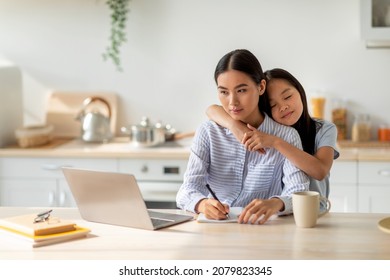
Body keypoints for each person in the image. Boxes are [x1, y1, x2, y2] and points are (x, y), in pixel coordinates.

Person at [176, 49, 309, 224]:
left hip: (264, 230)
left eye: (241, 90)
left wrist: (276, 203)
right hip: (215, 232)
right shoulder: (208, 132)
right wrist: (201, 204)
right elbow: (187, 190)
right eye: (224, 92)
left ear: (261, 87)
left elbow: (298, 190)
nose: (232, 102)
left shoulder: (285, 136)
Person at [206, 68, 339, 211]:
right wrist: (234, 126)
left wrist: (276, 142)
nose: (283, 107)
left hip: (313, 212)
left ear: (300, 92)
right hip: (279, 213)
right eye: (273, 105)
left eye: (287, 97)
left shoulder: (324, 129)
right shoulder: (265, 131)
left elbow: (320, 171)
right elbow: (211, 109)